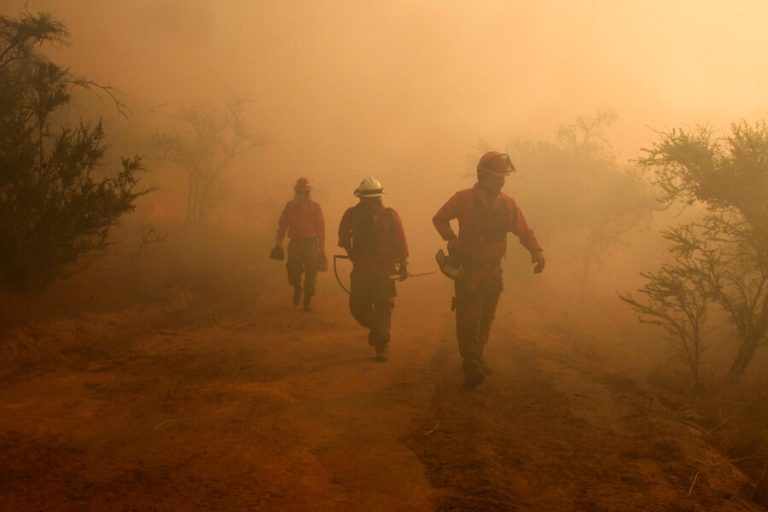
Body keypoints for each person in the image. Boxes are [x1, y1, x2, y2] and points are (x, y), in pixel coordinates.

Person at [432, 152, 545, 388]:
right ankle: (471, 360)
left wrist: (536, 251)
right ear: (482, 176)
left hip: (493, 271)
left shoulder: (508, 204)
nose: (501, 181)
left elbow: (523, 231)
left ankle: (477, 355)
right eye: (496, 177)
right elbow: (440, 218)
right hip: (469, 270)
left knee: (486, 316)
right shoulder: (463, 199)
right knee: (468, 314)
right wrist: (450, 238)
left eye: (502, 177)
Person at [338, 177, 409, 362]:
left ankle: (382, 346)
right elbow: (343, 237)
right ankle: (378, 330)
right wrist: (352, 253)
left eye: (375, 198)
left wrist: (403, 265)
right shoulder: (351, 215)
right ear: (361, 198)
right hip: (361, 270)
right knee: (358, 308)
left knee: (383, 308)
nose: (373, 201)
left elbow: (400, 242)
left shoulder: (390, 216)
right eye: (369, 198)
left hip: (385, 272)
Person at [274, 177, 325, 311]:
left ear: (308, 192)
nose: (302, 194)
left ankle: (307, 300)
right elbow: (283, 224)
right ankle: (297, 288)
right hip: (295, 243)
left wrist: (322, 247)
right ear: (296, 192)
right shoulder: (290, 206)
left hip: (311, 244)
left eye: (305, 192)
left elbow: (321, 227)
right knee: (293, 269)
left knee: (311, 272)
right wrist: (278, 241)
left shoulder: (315, 207)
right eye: (300, 191)